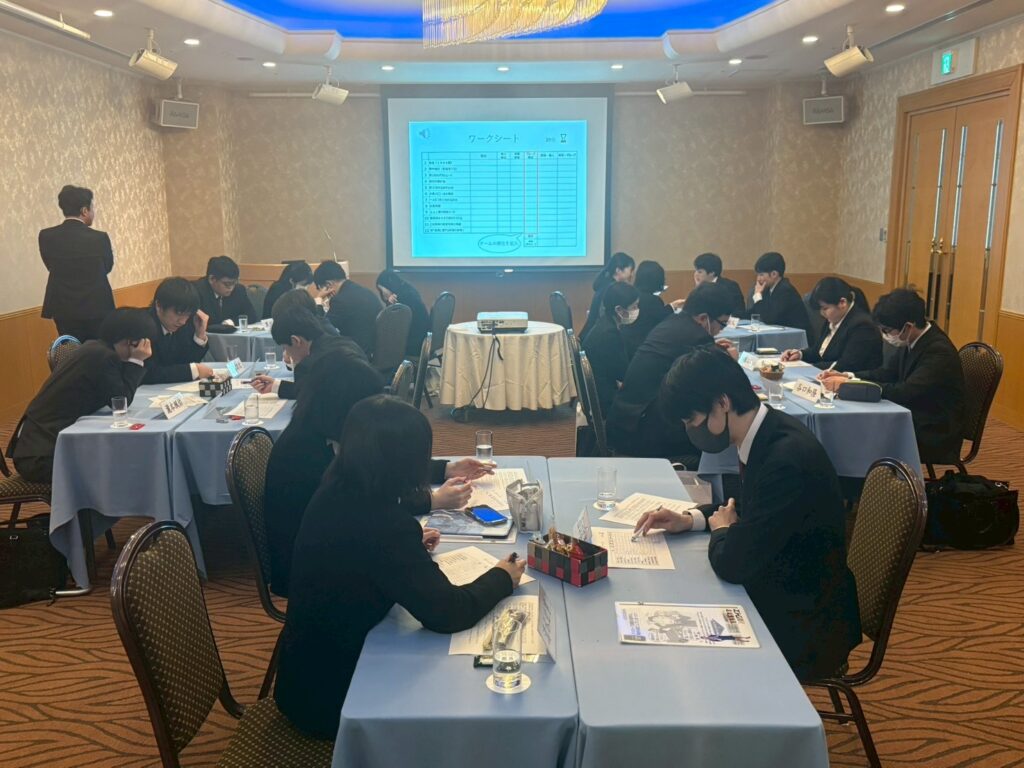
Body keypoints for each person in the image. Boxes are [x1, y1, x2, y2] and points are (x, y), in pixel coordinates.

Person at [274, 395, 526, 737]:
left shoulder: (336, 486)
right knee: (466, 694)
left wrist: (405, 552)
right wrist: (502, 577)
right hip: (336, 699)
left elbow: (361, 553)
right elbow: (448, 613)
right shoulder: (386, 527)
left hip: (304, 672)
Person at [636, 347, 861, 681]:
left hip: (804, 621)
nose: (693, 430)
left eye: (693, 420)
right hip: (787, 582)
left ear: (722, 403)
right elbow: (748, 508)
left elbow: (733, 563)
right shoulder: (767, 431)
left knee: (673, 637)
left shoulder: (784, 460)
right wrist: (692, 519)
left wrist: (721, 532)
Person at [264, 354, 493, 597]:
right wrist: (432, 502)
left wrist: (446, 469)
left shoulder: (317, 431)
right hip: (312, 574)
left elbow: (374, 470)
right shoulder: (306, 455)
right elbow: (369, 504)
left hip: (337, 553)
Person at [820, 288, 965, 464]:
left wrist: (852, 386)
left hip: (934, 428)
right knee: (857, 425)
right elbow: (886, 373)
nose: (885, 336)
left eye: (887, 330)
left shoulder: (938, 351)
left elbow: (905, 391)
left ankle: (861, 476)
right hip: (912, 413)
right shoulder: (911, 340)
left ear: (908, 326)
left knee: (860, 431)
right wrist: (849, 376)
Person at [12, 308, 155, 482]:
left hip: (41, 446)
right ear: (130, 341)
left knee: (116, 462)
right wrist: (137, 360)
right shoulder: (102, 357)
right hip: (42, 456)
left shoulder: (95, 348)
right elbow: (121, 401)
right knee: (116, 468)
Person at [606, 282, 737, 461]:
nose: (720, 330)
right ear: (703, 318)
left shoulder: (673, 322)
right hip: (641, 431)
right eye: (722, 324)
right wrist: (731, 362)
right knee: (713, 439)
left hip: (626, 420)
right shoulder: (697, 336)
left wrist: (712, 349)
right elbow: (715, 384)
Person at [39, 185, 116, 341]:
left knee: (71, 350)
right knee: (98, 349)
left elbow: (50, 266)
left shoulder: (46, 236)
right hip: (97, 306)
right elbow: (107, 267)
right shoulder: (99, 238)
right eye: (92, 208)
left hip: (63, 307)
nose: (93, 212)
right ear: (84, 210)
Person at [250, 305, 366, 398]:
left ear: (295, 341)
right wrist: (275, 386)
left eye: (285, 348)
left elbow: (306, 400)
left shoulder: (308, 365)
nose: (287, 353)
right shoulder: (346, 343)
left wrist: (296, 363)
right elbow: (313, 390)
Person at [781, 277, 881, 372]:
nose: (822, 313)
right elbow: (819, 351)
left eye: (825, 308)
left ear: (842, 302)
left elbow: (847, 364)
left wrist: (807, 367)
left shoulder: (863, 326)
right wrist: (800, 354)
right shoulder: (834, 318)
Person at [583, 282, 640, 415]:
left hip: (598, 392)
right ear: (619, 310)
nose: (637, 310)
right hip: (606, 399)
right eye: (634, 306)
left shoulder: (604, 323)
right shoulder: (610, 335)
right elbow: (623, 374)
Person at [143, 278, 215, 384]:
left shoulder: (187, 323)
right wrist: (191, 371)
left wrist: (200, 335)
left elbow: (187, 361)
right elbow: (148, 373)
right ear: (159, 305)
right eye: (179, 313)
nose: (183, 321)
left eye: (187, 315)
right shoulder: (143, 326)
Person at [740, 252, 812, 336]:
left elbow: (769, 318)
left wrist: (757, 296)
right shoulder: (768, 289)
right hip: (780, 335)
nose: (758, 279)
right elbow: (755, 312)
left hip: (796, 337)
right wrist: (735, 316)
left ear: (774, 274)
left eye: (761, 275)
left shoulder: (785, 290)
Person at [325, 264, 384, 357]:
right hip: (375, 351)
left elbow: (322, 329)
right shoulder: (367, 292)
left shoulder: (340, 300)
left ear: (328, 285)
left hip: (356, 354)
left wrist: (318, 302)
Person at [621, 260, 675, 356]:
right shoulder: (653, 300)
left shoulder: (630, 294)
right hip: (644, 349)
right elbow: (663, 321)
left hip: (626, 347)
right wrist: (672, 307)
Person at [580, 252, 635, 342]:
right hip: (598, 339)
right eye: (631, 270)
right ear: (618, 270)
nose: (632, 274)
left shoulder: (605, 283)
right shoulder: (612, 290)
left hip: (590, 335)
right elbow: (605, 318)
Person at [376, 270, 430, 356]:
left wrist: (390, 305)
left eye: (381, 289)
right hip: (423, 339)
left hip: (413, 344)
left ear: (387, 286)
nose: (382, 294)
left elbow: (393, 326)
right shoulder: (408, 289)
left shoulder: (400, 299)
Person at [193, 255, 256, 326]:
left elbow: (251, 316)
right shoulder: (195, 292)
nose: (231, 288)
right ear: (212, 279)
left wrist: (231, 322)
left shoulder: (239, 290)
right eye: (227, 284)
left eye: (234, 283)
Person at [693, 252, 745, 318]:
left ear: (712, 272)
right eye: (695, 271)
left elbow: (739, 311)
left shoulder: (730, 286)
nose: (695, 274)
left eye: (699, 272)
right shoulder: (700, 288)